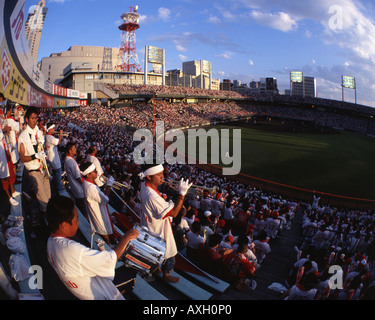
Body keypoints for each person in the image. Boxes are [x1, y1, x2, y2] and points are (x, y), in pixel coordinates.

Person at [46, 195, 139, 300]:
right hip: (98, 293)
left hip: (80, 289)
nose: (78, 222)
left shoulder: (50, 242)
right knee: (131, 271)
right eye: (76, 220)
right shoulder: (73, 250)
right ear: (64, 225)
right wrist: (127, 237)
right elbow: (111, 259)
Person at [138, 163, 192, 283]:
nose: (163, 177)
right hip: (158, 229)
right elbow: (174, 213)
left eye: (162, 174)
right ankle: (166, 275)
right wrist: (182, 194)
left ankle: (157, 270)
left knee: (156, 251)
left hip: (151, 225)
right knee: (169, 252)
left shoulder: (144, 185)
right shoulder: (151, 195)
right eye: (159, 175)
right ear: (149, 177)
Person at [18, 107, 51, 214]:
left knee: (49, 198)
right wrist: (35, 156)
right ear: (27, 119)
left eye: (36, 118)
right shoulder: (22, 136)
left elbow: (42, 148)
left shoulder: (39, 133)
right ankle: (47, 225)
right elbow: (22, 158)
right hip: (33, 171)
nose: (35, 120)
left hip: (43, 169)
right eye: (32, 118)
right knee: (44, 201)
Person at [80, 161, 115, 245]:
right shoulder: (91, 188)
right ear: (88, 175)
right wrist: (109, 185)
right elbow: (106, 199)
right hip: (98, 213)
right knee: (104, 232)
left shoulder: (87, 182)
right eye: (95, 171)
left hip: (97, 210)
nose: (97, 172)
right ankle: (108, 247)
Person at [64, 142, 88, 219]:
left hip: (75, 188)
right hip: (79, 190)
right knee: (84, 210)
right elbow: (77, 177)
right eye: (74, 148)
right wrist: (84, 185)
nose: (76, 150)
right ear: (70, 151)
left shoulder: (68, 159)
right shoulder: (71, 161)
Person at [0, 122, 19, 206]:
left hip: (5, 150)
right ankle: (9, 197)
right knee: (4, 176)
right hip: (1, 155)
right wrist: (4, 130)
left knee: (10, 172)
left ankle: (13, 191)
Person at [45, 122, 65, 195]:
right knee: (58, 174)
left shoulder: (47, 136)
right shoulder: (50, 137)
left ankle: (56, 189)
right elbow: (58, 142)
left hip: (51, 158)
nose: (54, 130)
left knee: (55, 175)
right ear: (49, 129)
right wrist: (60, 134)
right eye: (53, 128)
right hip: (54, 159)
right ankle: (59, 189)